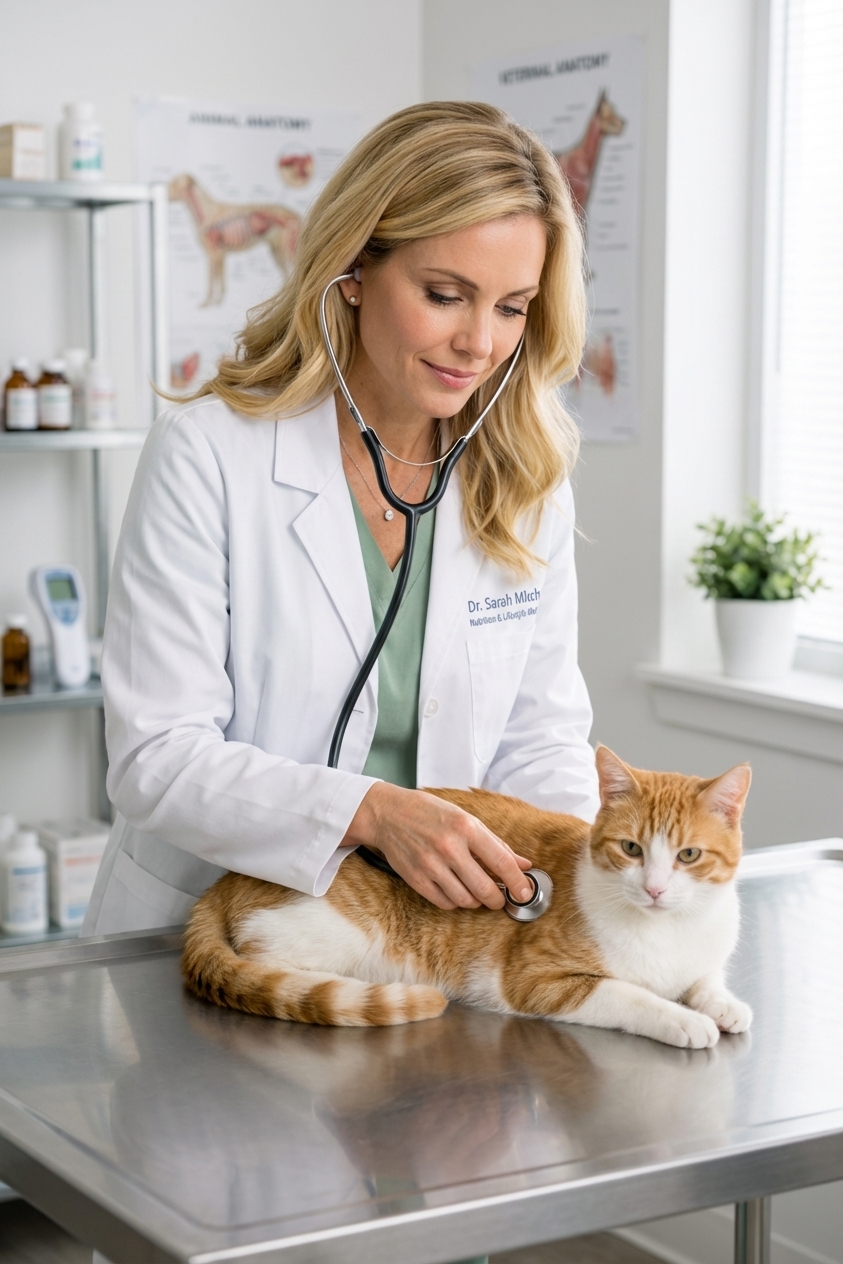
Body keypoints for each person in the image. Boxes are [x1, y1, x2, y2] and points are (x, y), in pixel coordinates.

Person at [84, 99, 599, 1264]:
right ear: (355, 268)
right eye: (446, 292)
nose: (479, 342)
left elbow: (544, 736)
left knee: (425, 1230)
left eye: (513, 306)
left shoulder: (523, 476)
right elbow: (156, 752)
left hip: (436, 957)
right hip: (216, 955)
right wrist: (368, 811)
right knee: (236, 1229)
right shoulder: (214, 449)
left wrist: (553, 896)